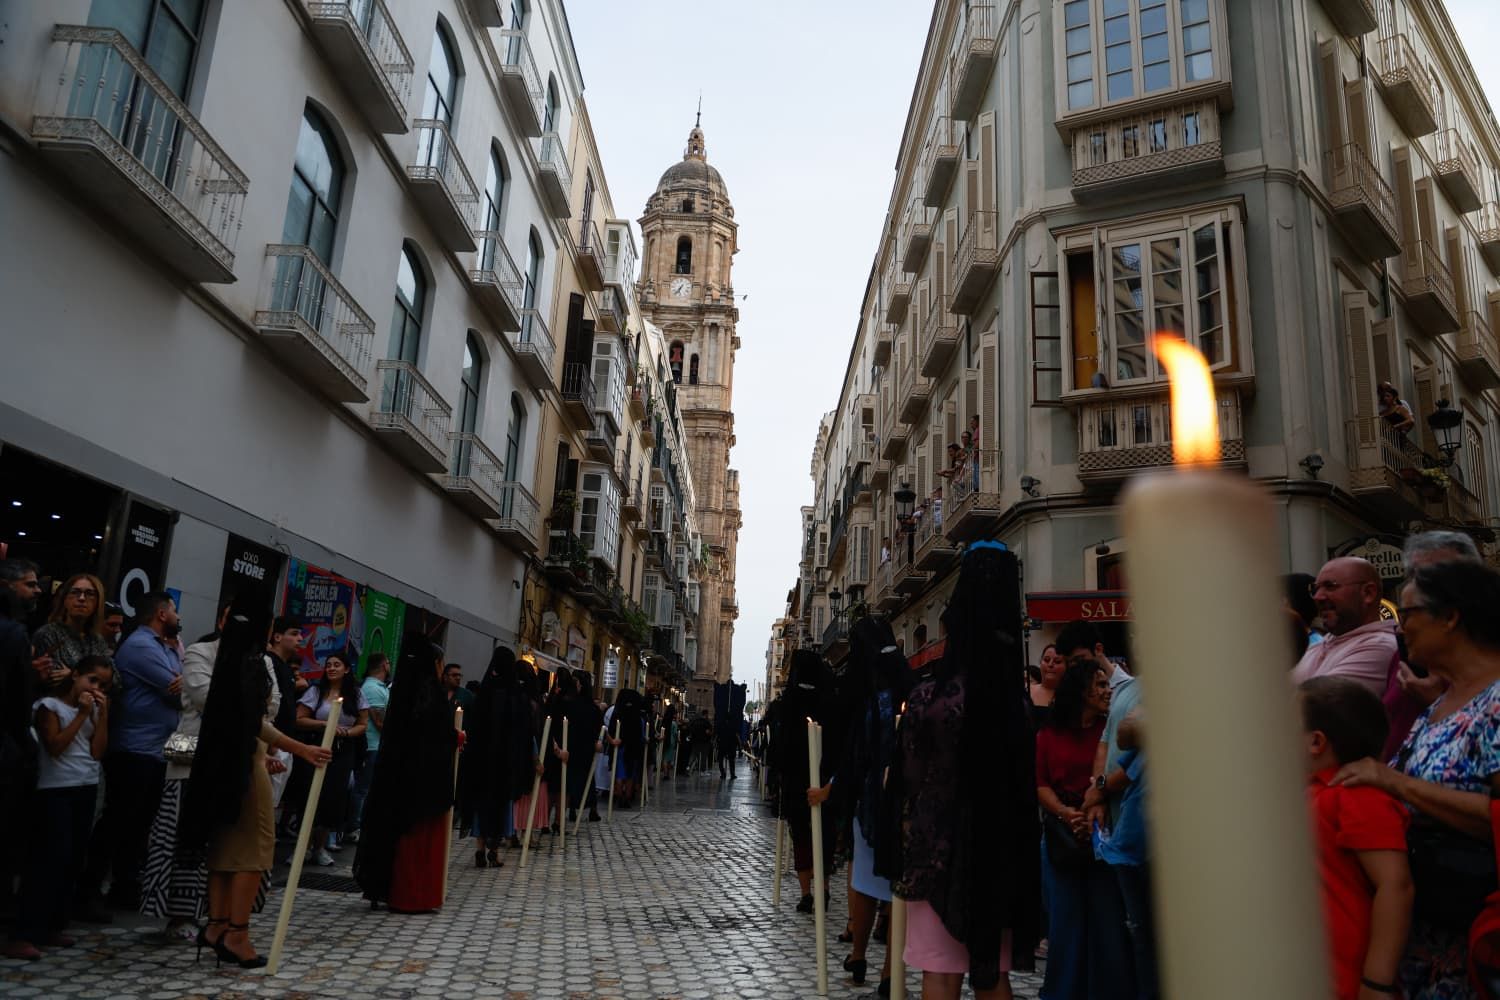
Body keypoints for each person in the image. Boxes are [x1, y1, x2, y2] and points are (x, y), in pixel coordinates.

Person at [1333, 558, 1500, 997]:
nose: (1399, 628)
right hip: (1428, 932)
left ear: (1450, 617)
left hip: (1477, 944)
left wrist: (1394, 783)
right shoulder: (1443, 699)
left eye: (1406, 614)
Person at [890, 542, 1040, 999]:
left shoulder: (928, 702)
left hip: (938, 855)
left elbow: (907, 780)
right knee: (994, 974)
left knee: (939, 973)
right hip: (1000, 855)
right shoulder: (1019, 705)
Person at [180, 608, 330, 968]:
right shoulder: (210, 656)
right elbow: (244, 714)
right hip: (229, 759)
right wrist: (301, 748)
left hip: (239, 756)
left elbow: (269, 709)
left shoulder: (254, 662)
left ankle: (220, 926)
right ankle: (236, 931)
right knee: (254, 846)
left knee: (234, 844)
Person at [1300, 677, 1413, 1000]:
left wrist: (1376, 983)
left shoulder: (1356, 796)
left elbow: (1396, 885)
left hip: (1343, 981)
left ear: (1316, 742)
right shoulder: (1312, 792)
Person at [140, 603, 245, 939]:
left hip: (234, 763)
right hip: (192, 764)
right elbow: (203, 696)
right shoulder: (200, 651)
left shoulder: (258, 661)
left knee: (222, 845)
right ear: (222, 621)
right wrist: (245, 700)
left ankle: (217, 916)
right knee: (183, 841)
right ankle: (179, 916)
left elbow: (270, 703)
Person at [1036, 656, 1135, 1000]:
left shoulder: (1109, 729)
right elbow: (1040, 782)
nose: (1108, 691)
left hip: (1102, 835)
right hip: (1063, 837)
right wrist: (1066, 813)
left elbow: (1119, 773)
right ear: (1082, 691)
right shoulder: (1051, 732)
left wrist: (1094, 807)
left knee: (1108, 927)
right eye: (1100, 685)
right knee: (1065, 928)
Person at [79, 591, 182, 911]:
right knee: (120, 818)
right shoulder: (140, 645)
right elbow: (179, 693)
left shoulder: (169, 646)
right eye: (175, 611)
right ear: (162, 614)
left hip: (166, 747)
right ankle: (89, 889)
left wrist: (185, 682)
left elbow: (186, 688)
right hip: (134, 748)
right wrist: (185, 684)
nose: (179, 617)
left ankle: (127, 885)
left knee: (144, 822)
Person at [5, 654, 112, 960]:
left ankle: (52, 925)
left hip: (85, 785)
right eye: (92, 680)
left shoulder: (95, 710)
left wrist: (102, 716)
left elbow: (97, 751)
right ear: (76, 675)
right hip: (56, 788)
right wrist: (81, 715)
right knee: (48, 860)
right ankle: (24, 931)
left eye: (102, 684)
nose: (95, 688)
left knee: (71, 859)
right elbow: (54, 747)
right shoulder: (49, 707)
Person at [826, 615, 906, 993]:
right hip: (905, 799)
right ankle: (891, 971)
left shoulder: (857, 688)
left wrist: (837, 789)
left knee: (865, 878)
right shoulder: (907, 680)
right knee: (898, 886)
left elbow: (851, 751)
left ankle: (859, 954)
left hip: (871, 797)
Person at [353, 637, 461, 913]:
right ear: (435, 665)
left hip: (396, 780)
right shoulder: (431, 694)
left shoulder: (402, 691)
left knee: (398, 837)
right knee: (419, 844)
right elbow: (433, 735)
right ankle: (414, 895)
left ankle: (391, 889)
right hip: (424, 784)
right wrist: (454, 737)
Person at [459, 647, 534, 866]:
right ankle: (494, 849)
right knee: (500, 805)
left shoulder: (485, 691)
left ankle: (480, 849)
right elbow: (521, 731)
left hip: (482, 760)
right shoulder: (515, 694)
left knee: (482, 804)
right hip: (505, 762)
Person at [291, 652, 367, 866]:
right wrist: (324, 725)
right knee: (309, 794)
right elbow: (300, 719)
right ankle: (301, 847)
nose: (332, 668)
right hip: (316, 744)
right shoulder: (316, 691)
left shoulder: (356, 694)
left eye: (337, 665)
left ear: (347, 669)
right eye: (329, 665)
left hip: (342, 750)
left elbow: (362, 724)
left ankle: (320, 847)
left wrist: (347, 733)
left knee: (332, 798)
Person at [774, 648, 834, 914]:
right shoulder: (828, 699)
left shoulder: (789, 702)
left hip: (796, 778)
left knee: (800, 835)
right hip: (823, 776)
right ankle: (823, 888)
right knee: (823, 835)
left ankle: (807, 892)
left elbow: (781, 743)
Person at [1292, 557, 1398, 698]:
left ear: (1368, 593)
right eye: (1316, 589)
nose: (1317, 597)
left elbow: (1315, 705)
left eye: (1330, 586)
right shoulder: (1322, 644)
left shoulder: (1380, 646)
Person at [0, 559, 41, 912]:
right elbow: (16, 699)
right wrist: (27, 746)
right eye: (30, 584)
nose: (37, 591)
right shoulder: (13, 633)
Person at [31, 573, 113, 689]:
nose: (81, 598)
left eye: (89, 594)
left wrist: (71, 674)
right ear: (65, 599)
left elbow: (115, 680)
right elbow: (54, 678)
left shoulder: (97, 639)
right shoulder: (48, 633)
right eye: (75, 592)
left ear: (97, 602)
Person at [348, 651, 391, 842]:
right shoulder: (373, 688)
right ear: (384, 666)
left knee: (366, 788)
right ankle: (354, 826)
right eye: (388, 663)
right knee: (362, 788)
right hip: (371, 745)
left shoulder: (379, 687)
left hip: (376, 745)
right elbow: (379, 721)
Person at [265, 617, 304, 814]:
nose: (300, 638)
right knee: (265, 803)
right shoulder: (269, 662)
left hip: (284, 742)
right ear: (277, 637)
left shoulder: (286, 667)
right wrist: (271, 742)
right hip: (273, 744)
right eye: (294, 633)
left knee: (273, 802)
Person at [1028, 644, 1063, 728]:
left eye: (1057, 661)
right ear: (1040, 663)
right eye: (1046, 660)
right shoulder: (1027, 690)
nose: (1050, 664)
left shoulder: (1072, 695)